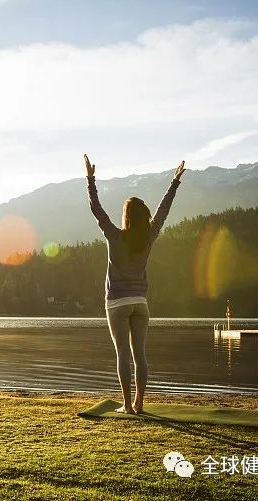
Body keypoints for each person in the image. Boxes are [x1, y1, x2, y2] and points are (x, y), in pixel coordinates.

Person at [84, 154, 185, 414]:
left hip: (116, 303)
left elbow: (97, 210)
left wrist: (90, 179)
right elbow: (163, 212)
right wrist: (174, 183)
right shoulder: (148, 237)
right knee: (140, 355)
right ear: (144, 218)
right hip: (140, 303)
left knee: (123, 355)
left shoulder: (115, 236)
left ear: (126, 216)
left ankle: (127, 406)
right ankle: (140, 403)